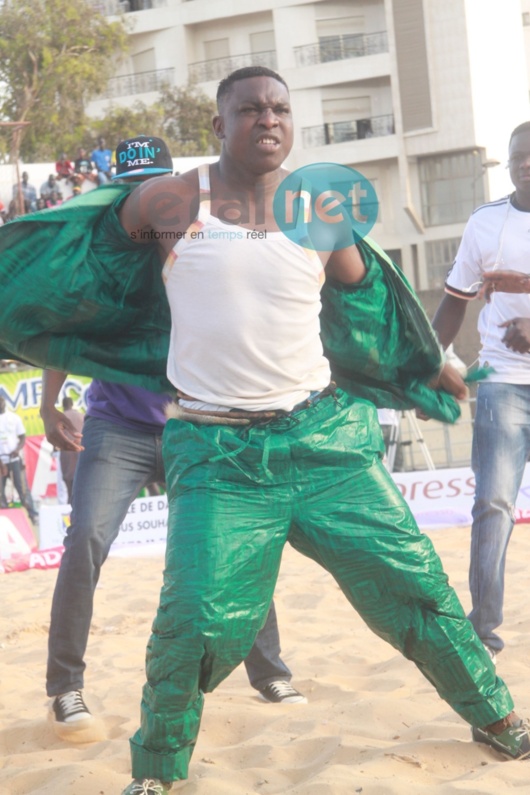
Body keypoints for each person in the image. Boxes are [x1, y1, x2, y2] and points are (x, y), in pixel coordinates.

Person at [110, 69, 529, 793]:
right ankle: (156, 768)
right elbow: (87, 262)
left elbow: (370, 306)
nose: (267, 119)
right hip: (218, 455)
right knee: (193, 620)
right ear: (219, 125)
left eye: (279, 108)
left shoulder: (319, 208)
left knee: (417, 584)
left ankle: (495, 716)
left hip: (328, 442)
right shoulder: (171, 201)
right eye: (249, 109)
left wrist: (425, 365)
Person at [41, 134, 306, 746]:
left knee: (233, 542)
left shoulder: (208, 237)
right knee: (86, 538)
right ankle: (64, 687)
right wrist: (52, 402)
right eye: (133, 185)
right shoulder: (106, 254)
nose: (146, 194)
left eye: (154, 182)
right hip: (117, 426)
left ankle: (270, 672)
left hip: (198, 420)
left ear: (172, 185)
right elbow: (69, 327)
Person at [431, 120, 530, 666]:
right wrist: (426, 359)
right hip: (501, 384)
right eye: (518, 156)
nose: (526, 163)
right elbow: (454, 301)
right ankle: (484, 629)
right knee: (492, 504)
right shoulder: (486, 223)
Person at [0, 395, 38, 523]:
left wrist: (17, 449)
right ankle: (5, 521)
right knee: (0, 494)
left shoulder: (14, 418)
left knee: (22, 488)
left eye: (2, 401)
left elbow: (22, 437)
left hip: (14, 459)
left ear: (4, 402)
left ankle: (32, 515)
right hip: (0, 461)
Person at [58, 396, 84, 504]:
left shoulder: (60, 417)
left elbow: (56, 435)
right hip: (81, 449)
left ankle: (71, 505)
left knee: (69, 481)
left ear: (63, 405)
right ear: (72, 404)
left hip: (67, 451)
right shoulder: (81, 416)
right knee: (82, 479)